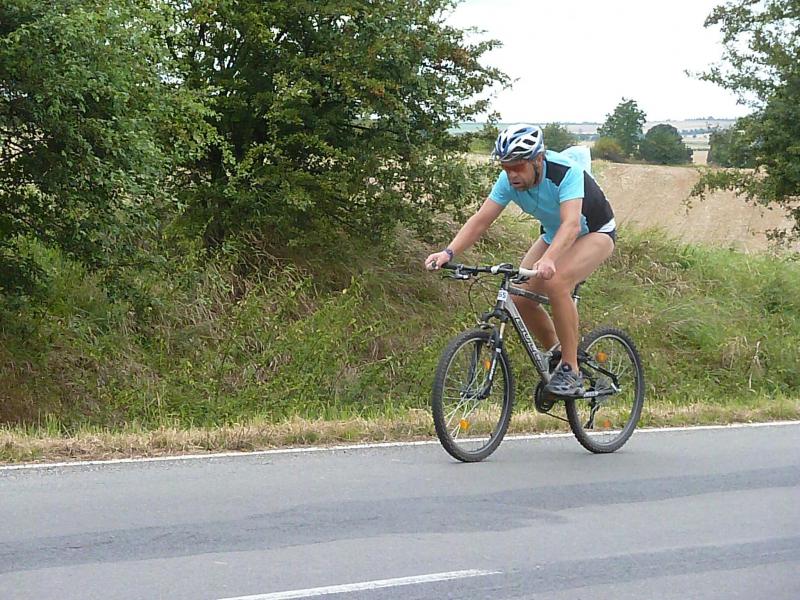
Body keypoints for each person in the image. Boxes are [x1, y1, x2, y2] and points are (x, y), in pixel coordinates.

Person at [424, 124, 616, 397]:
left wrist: (549, 259)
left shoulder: (565, 172)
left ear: (538, 159)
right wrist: (448, 253)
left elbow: (572, 225)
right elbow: (481, 220)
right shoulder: (508, 182)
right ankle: (558, 355)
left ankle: (571, 369)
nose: (512, 174)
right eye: (506, 167)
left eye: (517, 166)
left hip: (595, 232)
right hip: (553, 235)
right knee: (520, 298)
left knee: (557, 282)